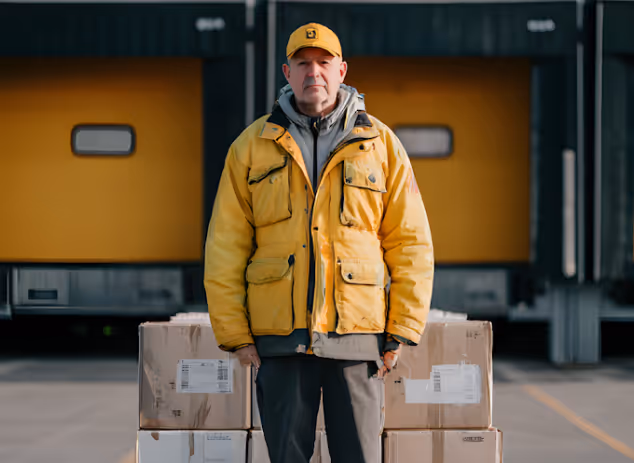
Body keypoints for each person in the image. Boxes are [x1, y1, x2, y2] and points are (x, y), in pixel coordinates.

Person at [204, 22, 434, 463]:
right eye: (304, 64)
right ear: (286, 73)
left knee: (360, 456)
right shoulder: (250, 148)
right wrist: (235, 333)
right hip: (280, 339)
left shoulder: (381, 145)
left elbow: (411, 242)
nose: (315, 73)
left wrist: (402, 328)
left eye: (324, 63)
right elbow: (225, 245)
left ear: (342, 70)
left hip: (357, 338)